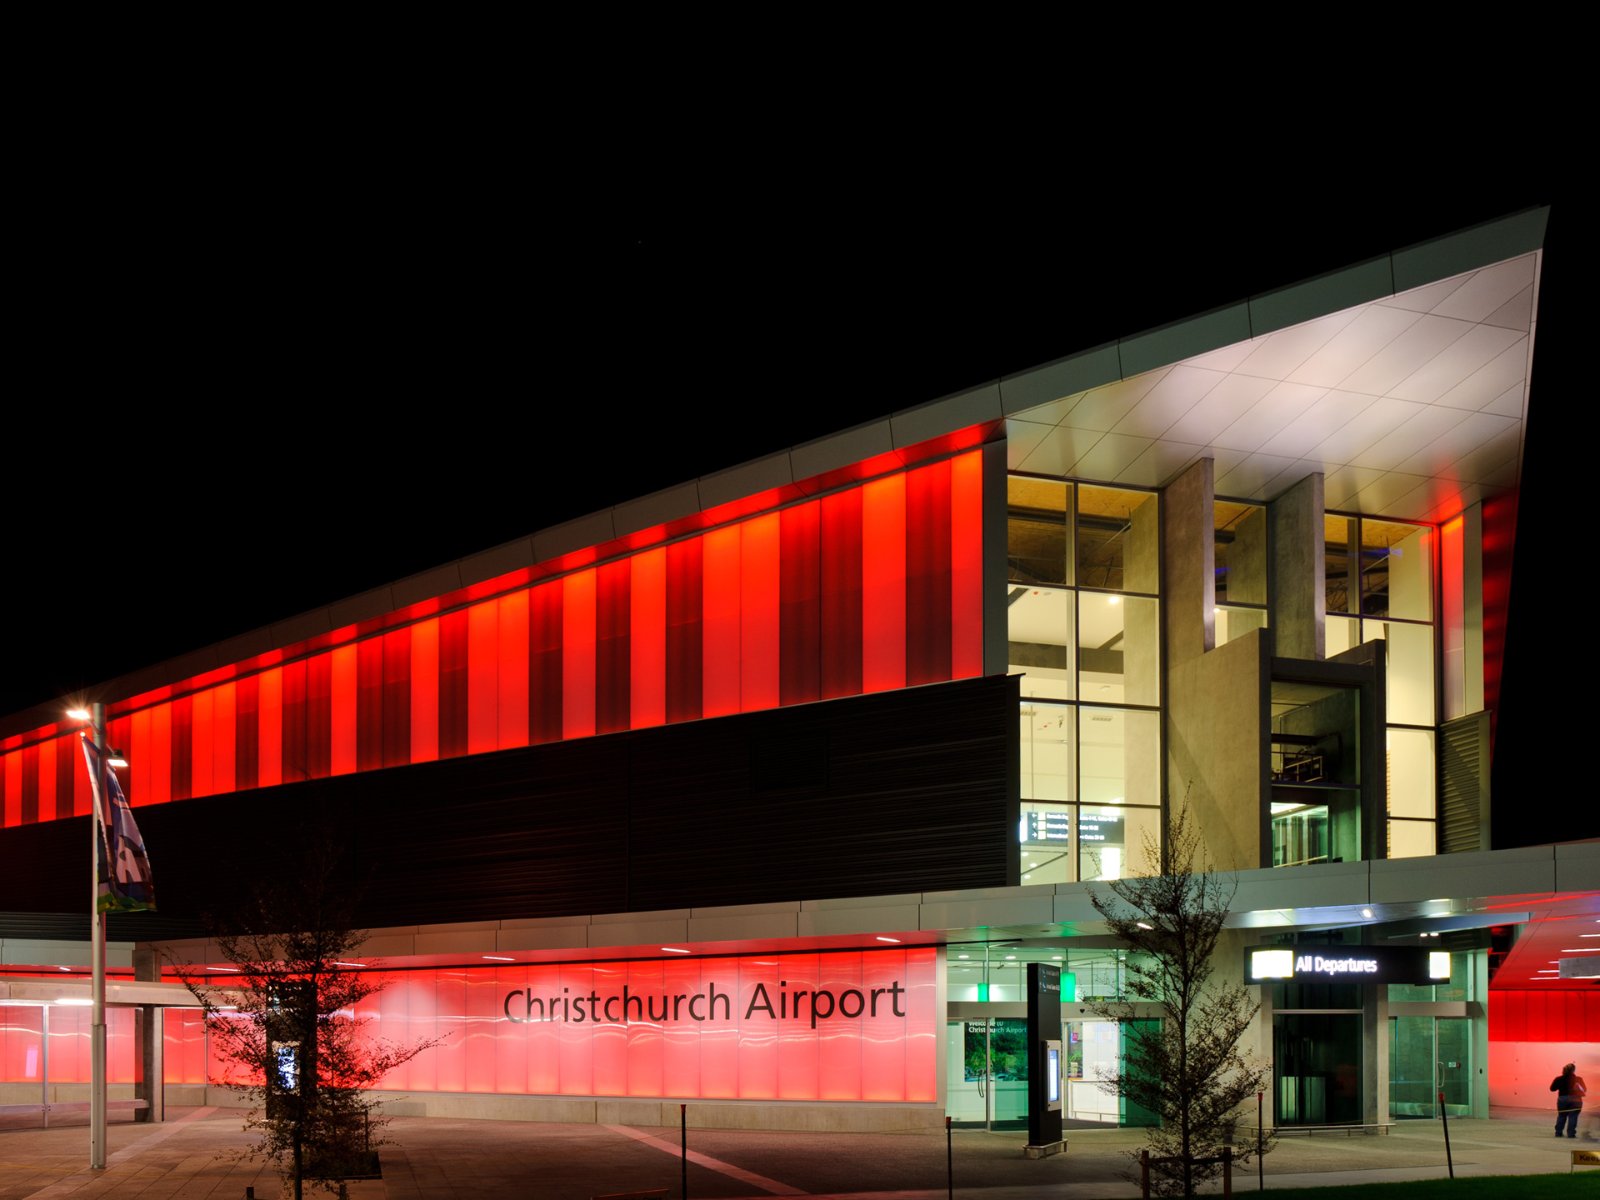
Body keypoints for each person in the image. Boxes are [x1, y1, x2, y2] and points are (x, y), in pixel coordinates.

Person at [1551, 1062, 1586, 1138]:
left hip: (1562, 1099)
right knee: (1573, 1116)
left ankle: (1558, 1133)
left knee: (1561, 1116)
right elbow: (1584, 1089)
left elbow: (1552, 1089)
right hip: (1576, 1099)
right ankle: (1571, 1134)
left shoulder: (1559, 1079)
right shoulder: (1578, 1079)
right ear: (1573, 1070)